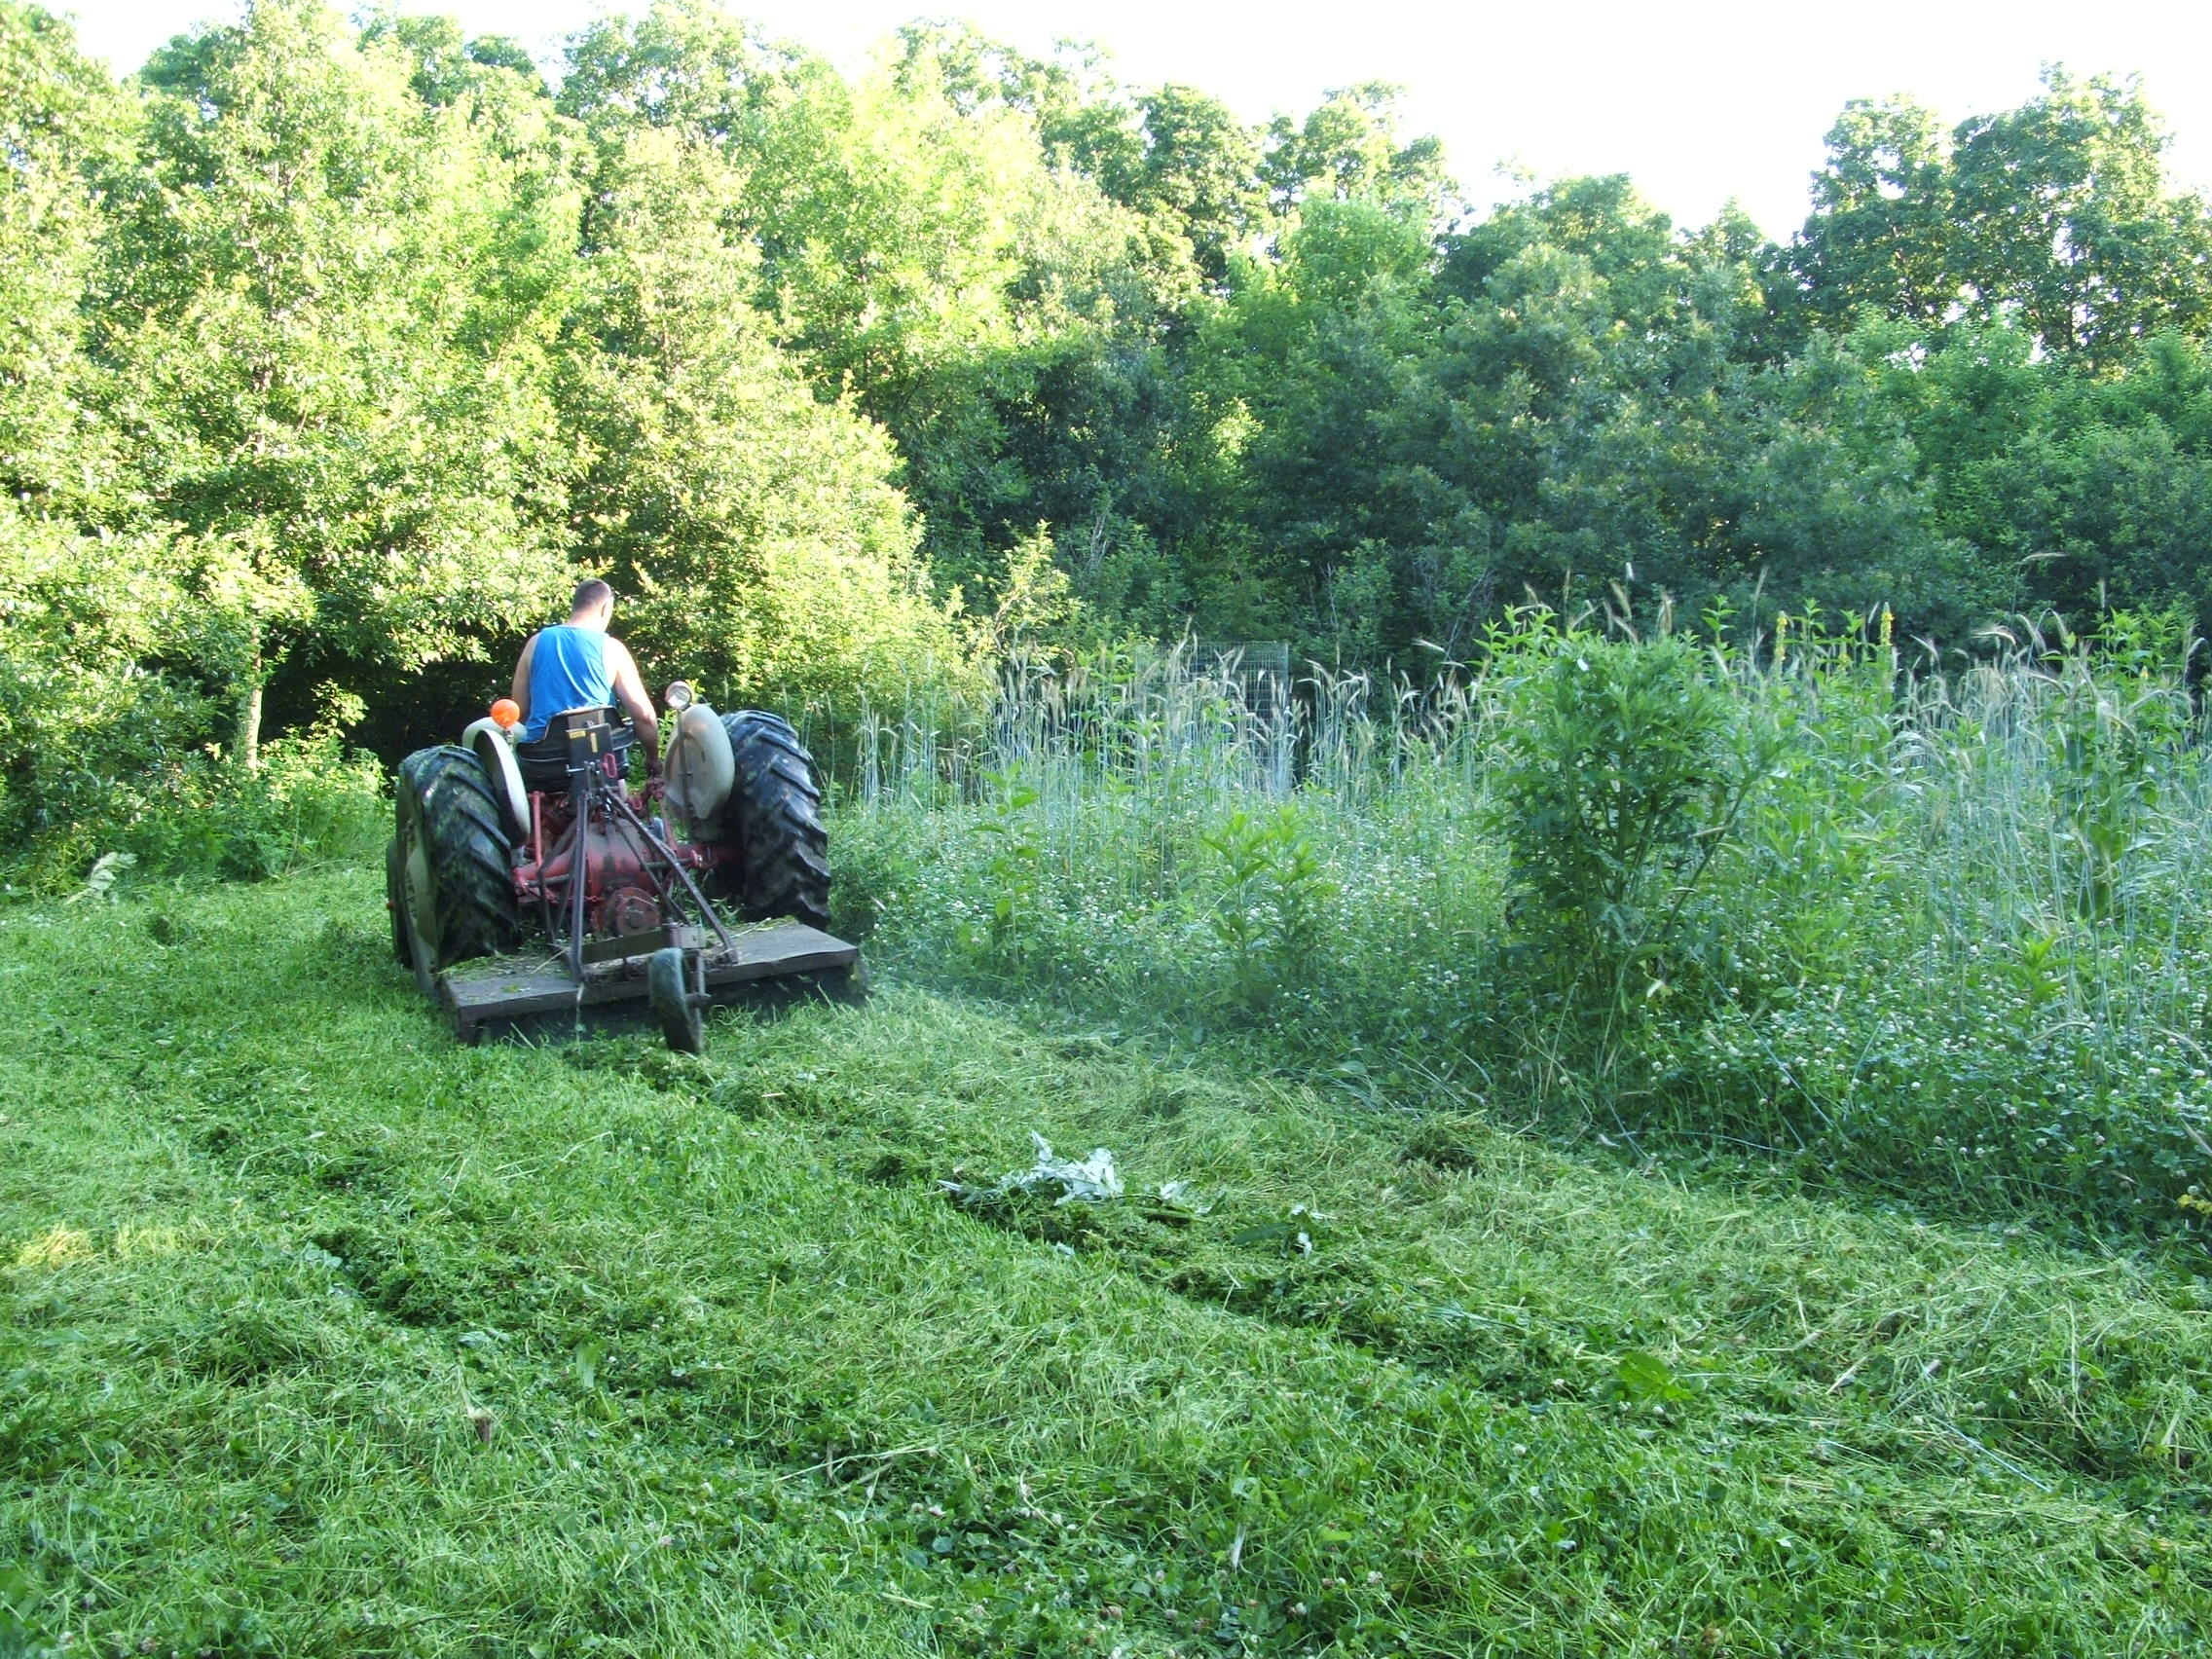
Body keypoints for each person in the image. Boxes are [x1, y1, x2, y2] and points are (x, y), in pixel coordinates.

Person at [511, 578, 659, 767]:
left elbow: (519, 711)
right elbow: (644, 716)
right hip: (600, 758)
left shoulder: (535, 643)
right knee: (617, 787)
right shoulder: (612, 648)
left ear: (575, 606)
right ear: (606, 608)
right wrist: (653, 758)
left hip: (543, 759)